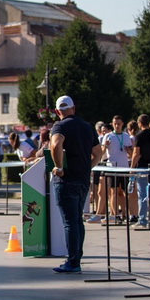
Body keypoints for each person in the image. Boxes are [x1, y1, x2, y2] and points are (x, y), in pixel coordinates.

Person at [50, 95, 102, 273]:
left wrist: (58, 167)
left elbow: (56, 145)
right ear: (74, 108)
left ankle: (73, 262)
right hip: (82, 179)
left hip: (66, 180)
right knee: (78, 221)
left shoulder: (60, 126)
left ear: (58, 111)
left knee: (69, 222)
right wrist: (88, 166)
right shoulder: (87, 127)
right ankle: (77, 257)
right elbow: (98, 153)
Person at [101, 115, 133, 223]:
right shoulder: (108, 136)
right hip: (112, 167)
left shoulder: (126, 136)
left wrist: (128, 150)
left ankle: (124, 213)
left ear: (122, 124)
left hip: (124, 167)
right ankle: (114, 214)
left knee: (124, 192)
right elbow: (102, 152)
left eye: (118, 124)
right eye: (114, 123)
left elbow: (131, 153)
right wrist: (105, 146)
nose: (116, 125)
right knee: (113, 192)